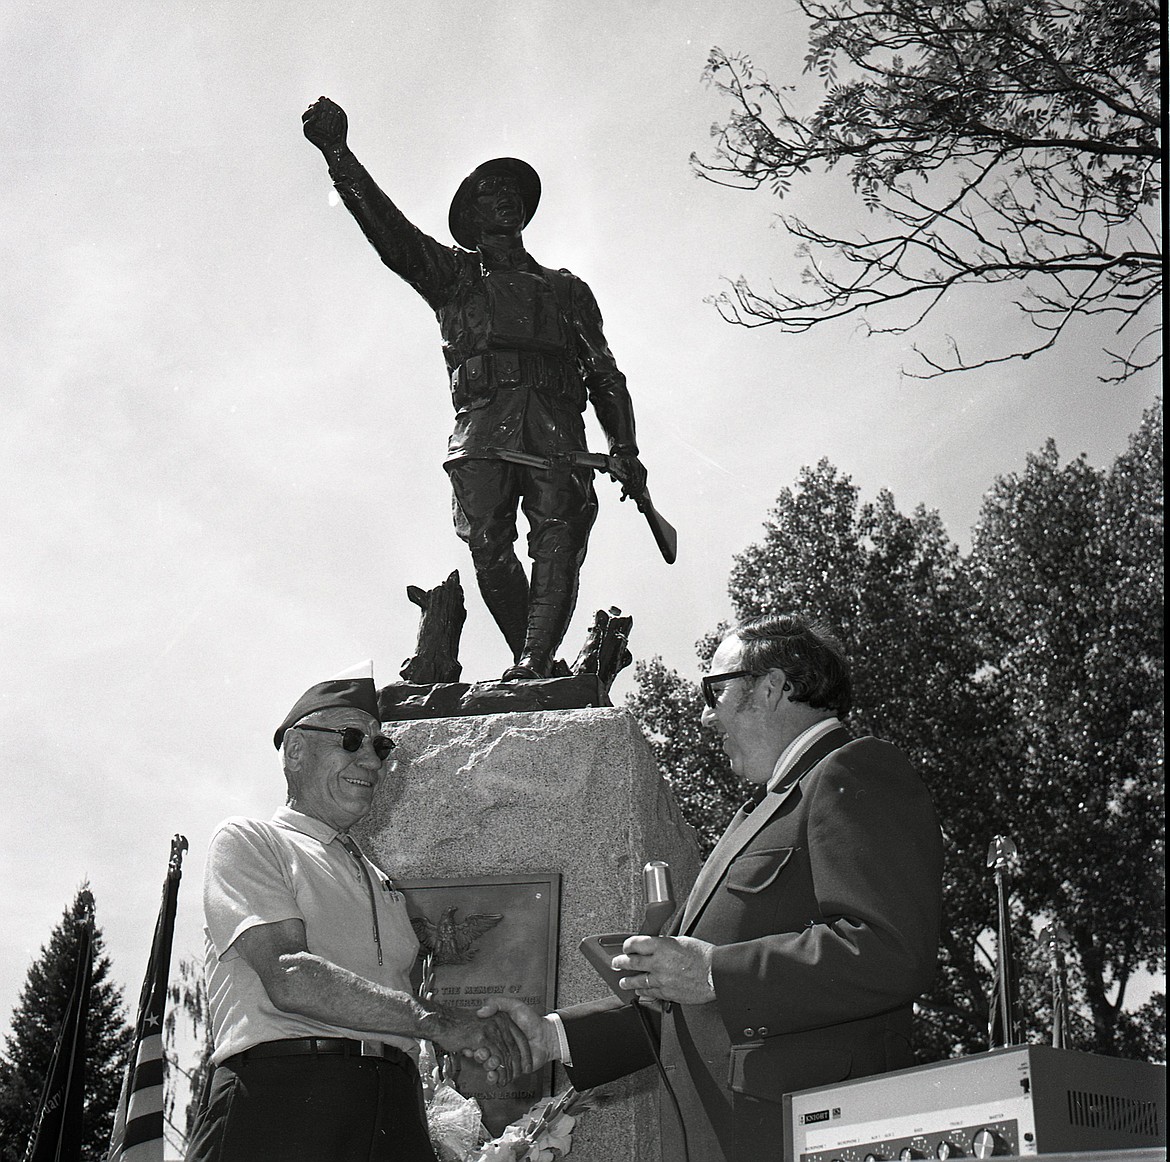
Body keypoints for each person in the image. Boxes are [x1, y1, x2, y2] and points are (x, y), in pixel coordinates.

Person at [484, 613, 945, 1162]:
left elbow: (890, 951)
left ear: (771, 686)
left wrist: (712, 972)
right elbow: (684, 1007)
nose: (705, 716)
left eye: (714, 690)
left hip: (805, 1137)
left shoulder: (854, 769)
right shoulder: (758, 814)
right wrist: (553, 1036)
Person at [301, 96, 649, 680]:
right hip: (483, 428)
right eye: (489, 191)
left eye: (510, 190)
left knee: (559, 539)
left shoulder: (567, 291)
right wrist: (339, 154)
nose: (504, 196)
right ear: (471, 216)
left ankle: (535, 660)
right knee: (488, 545)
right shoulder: (453, 276)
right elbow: (391, 236)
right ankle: (535, 659)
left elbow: (605, 374)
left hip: (558, 429)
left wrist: (627, 448)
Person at [185, 662, 533, 1162]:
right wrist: (434, 1021)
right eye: (351, 739)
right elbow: (290, 977)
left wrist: (466, 1040)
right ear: (297, 750)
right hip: (285, 1101)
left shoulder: (379, 879)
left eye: (381, 746)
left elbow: (393, 999)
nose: (371, 761)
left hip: (393, 1109)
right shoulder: (249, 841)